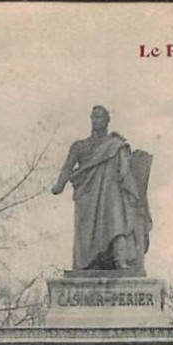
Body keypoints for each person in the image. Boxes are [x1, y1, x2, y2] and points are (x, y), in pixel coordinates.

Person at [52, 106, 152, 272]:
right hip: (87, 196)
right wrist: (59, 185)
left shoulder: (116, 145)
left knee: (117, 222)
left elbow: (125, 171)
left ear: (107, 121)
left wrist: (133, 191)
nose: (95, 120)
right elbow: (68, 166)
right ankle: (86, 265)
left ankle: (120, 260)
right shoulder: (80, 146)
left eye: (99, 117)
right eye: (93, 117)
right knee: (86, 233)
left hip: (111, 194)